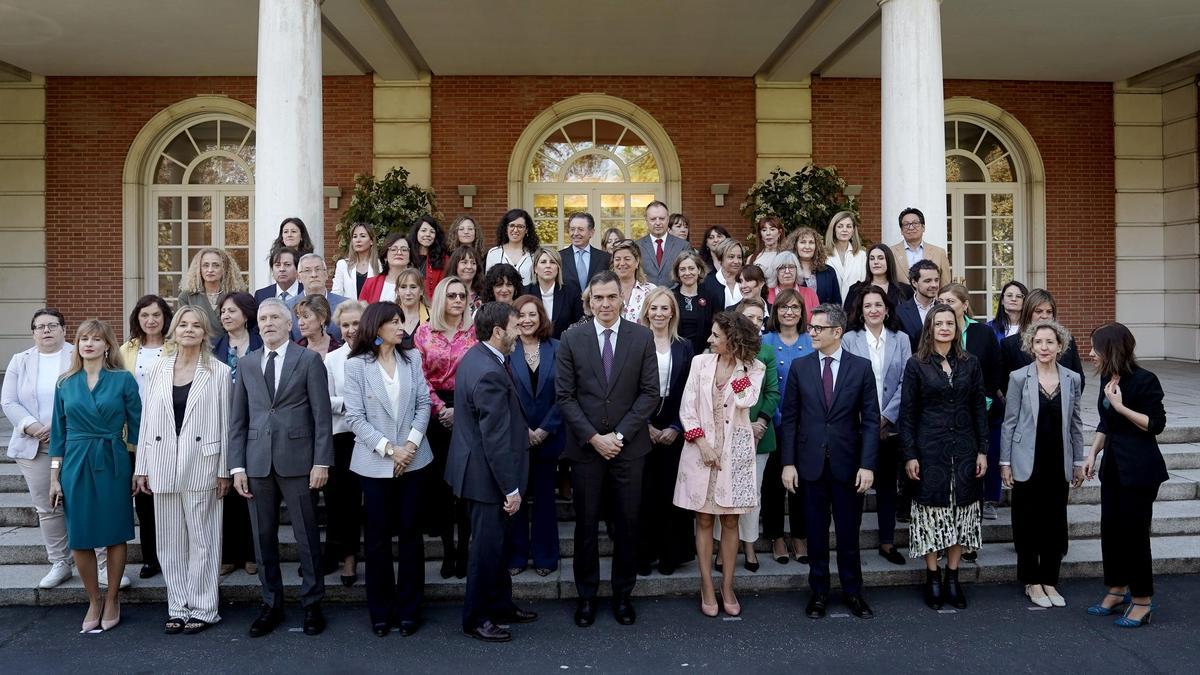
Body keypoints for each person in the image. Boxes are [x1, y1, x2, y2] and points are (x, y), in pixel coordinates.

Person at [556, 270, 659, 627]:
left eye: (611, 297)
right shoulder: (572, 339)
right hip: (586, 451)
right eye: (597, 298)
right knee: (585, 527)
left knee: (628, 526)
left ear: (622, 299)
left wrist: (619, 437)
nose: (604, 304)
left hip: (628, 451)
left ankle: (622, 595)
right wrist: (594, 438)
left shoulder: (642, 337)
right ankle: (586, 597)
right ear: (589, 300)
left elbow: (649, 393)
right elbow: (565, 396)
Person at [228, 298, 334, 637]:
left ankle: (312, 603)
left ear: (290, 324)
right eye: (263, 318)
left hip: (300, 461)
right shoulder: (246, 364)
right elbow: (238, 420)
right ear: (257, 325)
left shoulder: (308, 360)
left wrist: (321, 460)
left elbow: (322, 416)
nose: (269, 322)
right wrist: (237, 467)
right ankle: (270, 604)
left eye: (276, 316)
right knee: (262, 539)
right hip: (257, 463)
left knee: (306, 537)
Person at [133, 306, 231, 634]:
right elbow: (147, 421)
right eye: (183, 324)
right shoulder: (158, 368)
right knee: (170, 542)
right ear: (174, 330)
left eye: (196, 326)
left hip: (202, 461)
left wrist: (224, 471)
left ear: (205, 333)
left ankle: (204, 608)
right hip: (162, 461)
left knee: (203, 540)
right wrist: (142, 467)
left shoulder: (217, 371)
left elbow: (227, 424)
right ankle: (177, 606)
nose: (189, 330)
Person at [779, 304, 879, 619]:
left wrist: (867, 464)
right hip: (809, 466)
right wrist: (788, 463)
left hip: (849, 467)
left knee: (849, 534)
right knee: (816, 535)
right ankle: (819, 593)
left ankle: (853, 592)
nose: (812, 332)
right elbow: (791, 418)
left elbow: (871, 421)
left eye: (818, 328)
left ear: (837, 332)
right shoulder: (800, 367)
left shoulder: (861, 368)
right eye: (811, 327)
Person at [447, 302, 538, 642]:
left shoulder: (479, 358)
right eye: (516, 326)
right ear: (499, 331)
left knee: (496, 546)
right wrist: (510, 488)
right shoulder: (488, 371)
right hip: (486, 478)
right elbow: (495, 439)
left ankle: (500, 605)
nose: (521, 331)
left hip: (479, 473)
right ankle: (477, 618)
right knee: (485, 550)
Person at [342, 302, 433, 637]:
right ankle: (380, 612)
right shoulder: (356, 367)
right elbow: (354, 417)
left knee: (411, 537)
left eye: (400, 321)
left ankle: (409, 610)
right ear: (376, 327)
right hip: (374, 463)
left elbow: (424, 403)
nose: (401, 326)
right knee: (378, 541)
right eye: (394, 321)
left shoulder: (413, 359)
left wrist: (409, 445)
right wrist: (388, 449)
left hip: (414, 460)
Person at [48, 319, 141, 632]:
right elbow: (58, 434)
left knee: (114, 531)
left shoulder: (123, 380)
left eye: (96, 339)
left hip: (113, 459)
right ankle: (93, 599)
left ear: (107, 345)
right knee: (80, 535)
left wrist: (139, 467)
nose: (88, 343)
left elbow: (139, 428)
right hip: (75, 461)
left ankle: (113, 597)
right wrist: (53, 476)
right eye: (83, 338)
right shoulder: (64, 382)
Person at [675, 311, 764, 617]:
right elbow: (687, 407)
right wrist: (701, 443)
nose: (709, 339)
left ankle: (727, 586)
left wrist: (739, 368)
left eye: (716, 335)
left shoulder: (755, 368)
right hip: (700, 450)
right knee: (702, 519)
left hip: (735, 453)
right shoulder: (700, 362)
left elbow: (747, 402)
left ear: (733, 340)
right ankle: (706, 585)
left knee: (730, 521)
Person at [900, 304, 988, 611]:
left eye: (951, 323)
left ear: (957, 327)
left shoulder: (971, 363)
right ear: (930, 328)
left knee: (960, 516)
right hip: (929, 450)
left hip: (964, 449)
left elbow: (979, 407)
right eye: (939, 323)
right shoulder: (916, 364)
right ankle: (932, 576)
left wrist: (982, 450)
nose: (945, 328)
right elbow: (907, 413)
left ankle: (953, 576)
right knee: (930, 516)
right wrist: (910, 454)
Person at [1082, 322, 1169, 628]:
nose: (1090, 353)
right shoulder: (1109, 377)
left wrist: (1121, 406)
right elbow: (1106, 423)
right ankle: (1117, 589)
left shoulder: (1146, 380)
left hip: (1141, 470)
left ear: (1111, 349)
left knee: (1134, 535)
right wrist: (1092, 453)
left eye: (1095, 347)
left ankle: (1142, 600)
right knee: (1112, 531)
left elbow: (1156, 424)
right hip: (1114, 468)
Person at [999, 319, 1085, 608]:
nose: (1044, 347)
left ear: (1060, 346)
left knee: (1054, 522)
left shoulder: (1072, 378)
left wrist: (1078, 461)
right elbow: (1009, 423)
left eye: (1050, 342)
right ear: (1030, 346)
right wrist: (1005, 462)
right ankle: (1031, 582)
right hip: (1026, 461)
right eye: (1038, 342)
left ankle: (1049, 581)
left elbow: (1075, 423)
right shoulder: (1019, 377)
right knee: (1026, 524)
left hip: (1058, 461)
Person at [3, 309, 76, 589]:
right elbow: (8, 401)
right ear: (33, 332)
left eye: (52, 325)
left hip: (75, 443)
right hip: (36, 445)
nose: (46, 330)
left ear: (63, 329)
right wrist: (32, 426)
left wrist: (62, 430)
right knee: (48, 507)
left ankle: (101, 563)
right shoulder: (20, 361)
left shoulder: (77, 355)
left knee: (85, 503)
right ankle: (60, 562)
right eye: (39, 326)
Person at [842, 285, 912, 565]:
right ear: (860, 311)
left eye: (878, 305)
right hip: (858, 426)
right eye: (867, 306)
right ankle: (851, 546)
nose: (873, 310)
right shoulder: (849, 339)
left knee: (886, 488)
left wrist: (886, 417)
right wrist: (869, 418)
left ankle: (886, 542)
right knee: (854, 490)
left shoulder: (902, 339)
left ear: (886, 309)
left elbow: (908, 380)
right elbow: (846, 382)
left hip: (890, 426)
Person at [413, 276, 477, 579]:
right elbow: (419, 376)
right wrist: (441, 409)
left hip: (468, 410)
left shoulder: (475, 333)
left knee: (465, 485)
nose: (457, 300)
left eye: (461, 295)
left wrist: (460, 410)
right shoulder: (423, 334)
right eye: (451, 295)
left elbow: (482, 374)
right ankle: (448, 551)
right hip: (434, 413)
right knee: (441, 488)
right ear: (441, 298)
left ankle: (464, 550)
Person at [716, 298, 780, 572]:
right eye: (749, 317)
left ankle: (750, 545)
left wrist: (761, 422)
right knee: (723, 492)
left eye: (759, 318)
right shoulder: (720, 353)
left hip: (758, 435)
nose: (755, 322)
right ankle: (722, 548)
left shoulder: (764, 354)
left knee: (751, 493)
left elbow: (770, 392)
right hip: (725, 436)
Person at [635, 288, 695, 576]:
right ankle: (643, 554)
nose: (659, 313)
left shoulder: (685, 347)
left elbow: (690, 391)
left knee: (672, 494)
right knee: (644, 494)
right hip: (640, 428)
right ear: (646, 310)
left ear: (673, 312)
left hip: (674, 426)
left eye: (664, 308)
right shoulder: (633, 343)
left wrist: (675, 427)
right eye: (654, 308)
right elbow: (626, 389)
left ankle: (670, 555)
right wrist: (643, 425)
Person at [938, 283, 1005, 526]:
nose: (944, 305)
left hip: (982, 409)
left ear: (964, 305)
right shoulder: (935, 331)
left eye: (951, 301)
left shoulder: (983, 333)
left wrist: (985, 400)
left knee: (978, 463)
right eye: (941, 301)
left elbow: (996, 368)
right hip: (946, 413)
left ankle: (973, 522)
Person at [507, 296, 564, 576]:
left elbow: (566, 393)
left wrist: (544, 429)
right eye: (521, 315)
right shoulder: (505, 350)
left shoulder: (558, 348)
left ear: (541, 317)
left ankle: (545, 556)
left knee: (544, 499)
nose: (527, 320)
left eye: (532, 314)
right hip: (514, 438)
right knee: (515, 497)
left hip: (549, 435)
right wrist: (523, 431)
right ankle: (516, 555)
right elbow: (503, 395)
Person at [119, 295, 172, 580]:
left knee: (168, 496)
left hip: (168, 433)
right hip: (134, 434)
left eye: (156, 315)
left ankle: (173, 553)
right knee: (144, 500)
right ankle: (151, 557)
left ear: (165, 318)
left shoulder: (175, 348)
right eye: (144, 316)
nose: (151, 321)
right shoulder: (125, 350)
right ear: (137, 319)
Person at [760, 290, 815, 565]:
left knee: (802, 483)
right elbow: (761, 384)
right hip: (773, 424)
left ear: (802, 312)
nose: (789, 312)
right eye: (783, 307)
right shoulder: (765, 341)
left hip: (806, 426)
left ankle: (800, 535)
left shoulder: (811, 341)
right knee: (772, 484)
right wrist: (777, 415)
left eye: (794, 307)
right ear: (776, 312)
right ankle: (776, 536)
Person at [211, 292, 259, 577]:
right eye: (223, 311)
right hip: (224, 423)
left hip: (255, 424)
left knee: (251, 489)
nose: (226, 316)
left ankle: (253, 552)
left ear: (245, 313)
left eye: (232, 310)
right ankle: (229, 553)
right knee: (226, 490)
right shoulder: (215, 347)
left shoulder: (259, 343)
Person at [323, 301, 366, 588]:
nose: (351, 330)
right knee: (345, 503)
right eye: (346, 325)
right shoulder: (332, 359)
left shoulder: (378, 353)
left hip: (375, 439)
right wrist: (353, 405)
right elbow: (325, 401)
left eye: (356, 323)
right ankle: (349, 558)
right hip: (343, 438)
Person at [1000, 288, 1086, 384]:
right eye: (1038, 311)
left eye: (1049, 312)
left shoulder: (1067, 340)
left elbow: (1078, 378)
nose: (1044, 316)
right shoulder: (1009, 344)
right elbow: (1004, 383)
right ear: (1028, 313)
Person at [176, 248, 247, 343]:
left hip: (230, 349)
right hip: (198, 348)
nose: (210, 270)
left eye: (216, 265)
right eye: (205, 265)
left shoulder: (238, 296)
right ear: (199, 269)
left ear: (225, 269)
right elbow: (182, 327)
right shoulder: (186, 296)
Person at [671, 250, 722, 357]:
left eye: (691, 268)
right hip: (674, 353)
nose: (687, 273)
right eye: (682, 269)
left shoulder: (711, 297)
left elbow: (718, 326)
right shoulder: (670, 297)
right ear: (677, 273)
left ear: (699, 270)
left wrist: (709, 348)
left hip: (705, 354)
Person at [524, 247, 583, 339]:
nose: (548, 266)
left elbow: (579, 324)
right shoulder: (525, 293)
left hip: (564, 347)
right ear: (535, 268)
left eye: (552, 262)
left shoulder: (572, 292)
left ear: (558, 268)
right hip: (533, 346)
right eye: (543, 262)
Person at [289, 254, 348, 341]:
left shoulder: (345, 305)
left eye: (318, 269)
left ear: (326, 274)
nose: (314, 275)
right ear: (298, 277)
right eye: (307, 271)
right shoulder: (288, 307)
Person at [841, 243, 912, 313]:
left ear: (889, 261)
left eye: (880, 258)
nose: (875, 262)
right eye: (872, 259)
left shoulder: (905, 290)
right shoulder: (856, 290)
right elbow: (847, 320)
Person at [891, 208, 950, 286]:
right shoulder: (891, 252)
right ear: (901, 230)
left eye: (915, 223)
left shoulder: (939, 253)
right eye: (906, 224)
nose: (911, 227)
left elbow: (945, 285)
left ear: (923, 227)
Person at [636, 200, 688, 287]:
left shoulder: (683, 245)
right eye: (653, 219)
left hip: (674, 297)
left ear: (668, 219)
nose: (658, 223)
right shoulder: (637, 246)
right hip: (646, 297)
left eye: (662, 218)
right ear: (646, 221)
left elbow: (687, 273)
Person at [785, 226, 840, 305]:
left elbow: (837, 302)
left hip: (825, 316)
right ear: (795, 246)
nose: (807, 246)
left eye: (811, 242)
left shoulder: (828, 271)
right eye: (803, 242)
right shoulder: (787, 271)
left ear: (816, 246)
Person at [895, 259, 941, 353]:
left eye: (936, 280)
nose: (934, 285)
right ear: (914, 283)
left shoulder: (944, 309)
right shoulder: (900, 312)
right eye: (928, 281)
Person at [486, 208, 540, 285]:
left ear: (527, 230)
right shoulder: (494, 253)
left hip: (528, 296)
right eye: (512, 225)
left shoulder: (535, 253)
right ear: (506, 228)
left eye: (520, 226)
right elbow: (489, 283)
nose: (515, 230)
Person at [559, 212, 612, 290]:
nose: (575, 233)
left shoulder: (605, 258)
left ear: (591, 233)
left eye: (580, 229)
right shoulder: (559, 257)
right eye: (572, 229)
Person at [825, 211, 868, 302]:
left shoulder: (861, 255)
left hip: (855, 308)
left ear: (853, 230)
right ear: (833, 230)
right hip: (831, 308)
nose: (844, 230)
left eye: (848, 226)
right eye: (840, 226)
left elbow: (865, 285)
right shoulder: (823, 255)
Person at [610, 238, 656, 322]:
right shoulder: (606, 290)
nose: (622, 263)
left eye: (627, 259)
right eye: (617, 259)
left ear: (637, 262)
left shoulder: (651, 291)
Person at [332, 222, 380, 301]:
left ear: (371, 241)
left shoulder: (379, 265)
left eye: (363, 236)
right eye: (355, 237)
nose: (358, 240)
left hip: (373, 311)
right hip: (349, 311)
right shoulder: (342, 265)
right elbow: (336, 293)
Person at [359, 233, 411, 304]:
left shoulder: (419, 284)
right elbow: (361, 313)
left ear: (410, 256)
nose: (399, 252)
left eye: (404, 249)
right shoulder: (370, 284)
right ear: (385, 256)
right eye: (393, 249)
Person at [408, 215, 447, 300]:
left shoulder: (443, 259)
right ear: (416, 233)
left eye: (432, 231)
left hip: (432, 306)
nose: (428, 234)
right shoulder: (407, 254)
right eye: (423, 230)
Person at [701, 238, 745, 309]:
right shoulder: (707, 283)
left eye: (739, 257)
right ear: (720, 259)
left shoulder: (747, 282)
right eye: (731, 257)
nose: (736, 261)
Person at [295, 294, 342, 359]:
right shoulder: (295, 350)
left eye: (306, 316)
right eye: (298, 317)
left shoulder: (338, 350)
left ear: (322, 318)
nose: (300, 323)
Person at [747, 216, 784, 287]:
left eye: (772, 229)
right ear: (760, 234)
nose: (768, 233)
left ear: (779, 233)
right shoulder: (752, 258)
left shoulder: (787, 256)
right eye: (764, 230)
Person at [446, 245, 484, 313]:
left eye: (473, 263)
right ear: (455, 265)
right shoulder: (446, 292)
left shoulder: (483, 294)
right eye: (464, 262)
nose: (469, 267)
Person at [394, 268, 430, 335]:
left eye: (413, 287)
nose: (408, 292)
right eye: (403, 287)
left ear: (421, 291)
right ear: (397, 291)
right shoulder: (388, 316)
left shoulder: (433, 317)